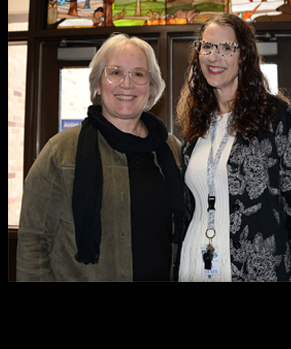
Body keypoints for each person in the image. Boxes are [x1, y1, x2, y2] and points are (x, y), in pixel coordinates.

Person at [17, 33, 184, 281]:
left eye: (138, 74)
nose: (127, 83)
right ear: (98, 84)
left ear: (151, 87)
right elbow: (33, 241)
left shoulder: (172, 149)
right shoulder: (60, 151)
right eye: (115, 72)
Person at [175, 13, 291, 282]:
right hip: (196, 264)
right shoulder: (196, 126)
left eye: (227, 48)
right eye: (207, 46)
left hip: (258, 273)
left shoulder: (279, 119)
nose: (213, 56)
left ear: (245, 56)